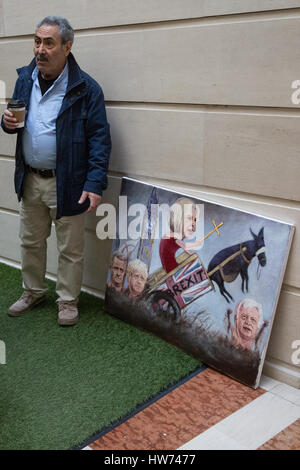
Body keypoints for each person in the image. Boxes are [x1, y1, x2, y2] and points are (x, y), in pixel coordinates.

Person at [1, 16, 111, 326]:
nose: (40, 49)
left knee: (70, 249)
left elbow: (100, 139)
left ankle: (67, 301)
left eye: (49, 43)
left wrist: (94, 182)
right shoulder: (26, 78)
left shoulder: (86, 89)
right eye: (37, 41)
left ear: (67, 46)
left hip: (69, 182)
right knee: (30, 241)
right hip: (31, 178)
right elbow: (14, 118)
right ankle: (33, 291)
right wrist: (6, 122)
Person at [159, 197, 200, 273]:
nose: (193, 223)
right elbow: (186, 248)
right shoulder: (175, 237)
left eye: (195, 219)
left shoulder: (170, 235)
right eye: (189, 218)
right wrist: (193, 253)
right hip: (174, 271)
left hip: (170, 270)